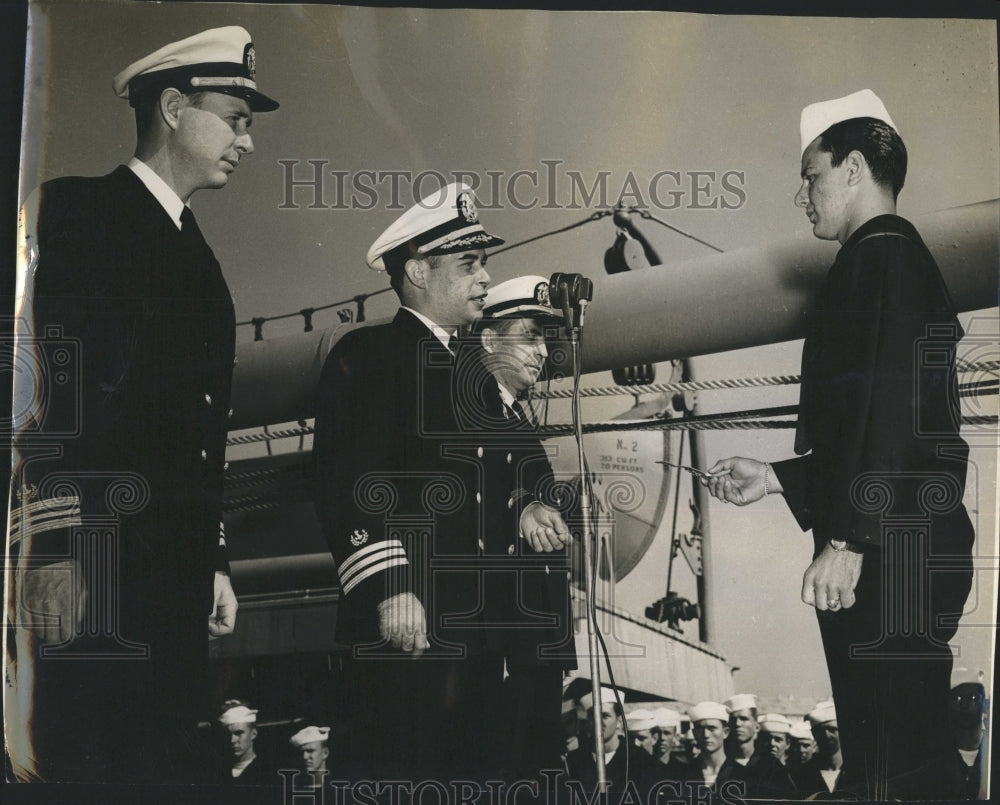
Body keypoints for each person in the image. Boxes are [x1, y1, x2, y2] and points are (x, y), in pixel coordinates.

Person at [7, 26, 278, 783]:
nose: (247, 141)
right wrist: (54, 547)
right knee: (86, 766)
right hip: (96, 561)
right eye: (235, 118)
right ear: (173, 109)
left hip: (173, 574)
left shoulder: (201, 260)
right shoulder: (80, 211)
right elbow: (47, 388)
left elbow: (199, 432)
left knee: (159, 766)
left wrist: (213, 560)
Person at [706, 88, 974, 799]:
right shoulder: (889, 261)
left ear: (853, 168)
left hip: (888, 551)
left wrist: (851, 539)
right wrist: (777, 477)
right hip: (900, 543)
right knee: (892, 761)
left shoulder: (882, 258)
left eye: (811, 175)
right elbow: (877, 426)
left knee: (896, 766)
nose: (803, 195)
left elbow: (888, 416)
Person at [312, 183, 572, 782]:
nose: (485, 278)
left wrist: (526, 504)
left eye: (483, 263)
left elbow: (505, 473)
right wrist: (390, 587)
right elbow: (347, 480)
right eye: (469, 264)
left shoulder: (475, 380)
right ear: (417, 272)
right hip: (409, 621)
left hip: (476, 640)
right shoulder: (370, 354)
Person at [469, 275, 578, 779]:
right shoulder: (470, 410)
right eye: (530, 337)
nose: (542, 352)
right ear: (490, 339)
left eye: (545, 340)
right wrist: (521, 504)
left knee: (534, 772)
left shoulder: (514, 420)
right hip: (505, 642)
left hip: (535, 644)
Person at [564, 687, 658, 802]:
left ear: (619, 722)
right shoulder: (574, 760)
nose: (598, 721)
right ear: (587, 721)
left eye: (605, 716)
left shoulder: (640, 759)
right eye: (592, 715)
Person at [793, 702, 845, 798]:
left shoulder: (857, 771)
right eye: (820, 731)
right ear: (813, 734)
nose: (827, 735)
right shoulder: (804, 773)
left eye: (832, 730)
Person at [215, 701, 273, 784]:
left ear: (253, 734)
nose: (232, 740)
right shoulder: (218, 772)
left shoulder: (267, 771)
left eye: (239, 733)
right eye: (228, 734)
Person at [289, 725, 331, 790]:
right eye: (301, 752)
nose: (304, 757)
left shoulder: (339, 787)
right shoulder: (293, 787)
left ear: (325, 753)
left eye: (310, 751)